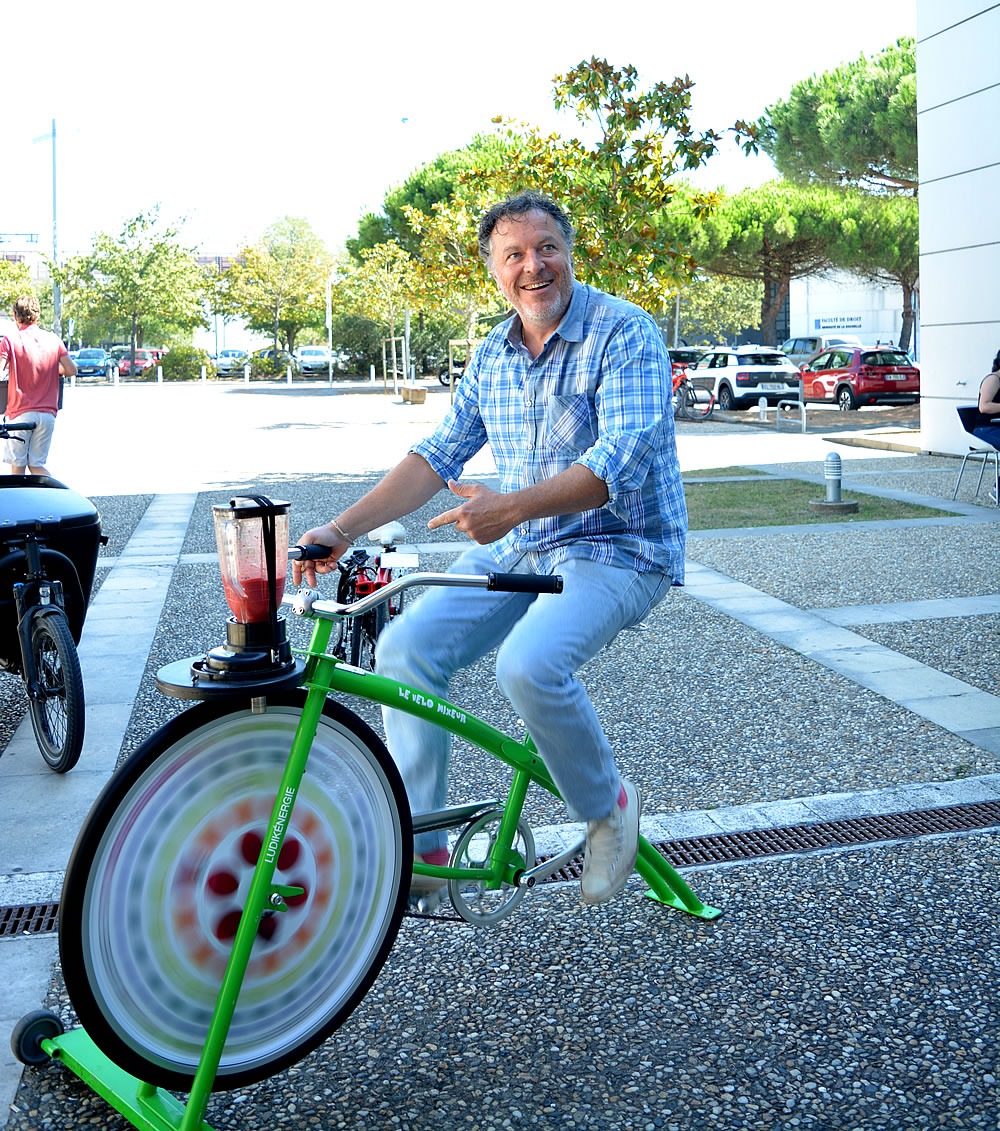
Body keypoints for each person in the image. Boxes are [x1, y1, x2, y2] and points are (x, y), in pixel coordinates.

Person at [292, 191, 686, 905]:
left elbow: (615, 465)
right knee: (404, 649)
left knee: (530, 664)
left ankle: (607, 810)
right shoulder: (493, 354)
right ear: (494, 272)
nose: (534, 266)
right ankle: (426, 853)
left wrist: (509, 508)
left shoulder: (625, 334)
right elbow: (437, 455)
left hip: (619, 548)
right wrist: (340, 529)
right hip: (525, 542)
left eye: (547, 248)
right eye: (514, 255)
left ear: (570, 253)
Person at [0, 294, 76, 475]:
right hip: (47, 414)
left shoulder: (10, 340)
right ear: (38, 314)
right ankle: (57, 497)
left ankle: (20, 503)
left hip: (20, 414)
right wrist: (50, 368)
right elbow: (71, 370)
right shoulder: (53, 339)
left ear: (15, 315)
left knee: (18, 468)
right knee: (36, 465)